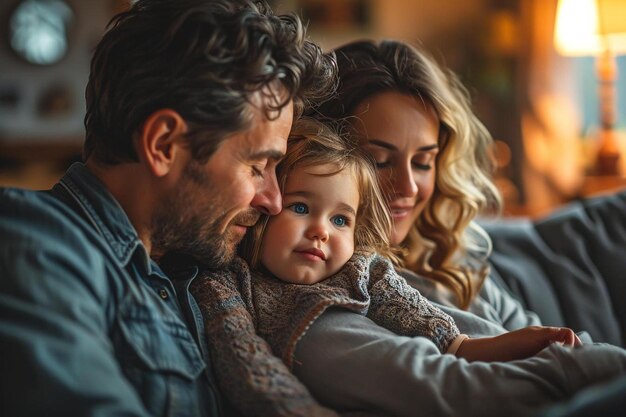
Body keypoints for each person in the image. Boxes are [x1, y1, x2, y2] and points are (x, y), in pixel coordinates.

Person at [0, 1, 336, 416]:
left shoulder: (201, 269)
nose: (273, 199)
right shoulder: (32, 248)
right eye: (256, 166)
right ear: (163, 144)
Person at [286, 39, 626, 416]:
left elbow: (560, 344)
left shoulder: (453, 261)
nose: (409, 188)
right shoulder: (317, 302)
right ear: (324, 156)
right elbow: (460, 390)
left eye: (423, 162)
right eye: (379, 161)